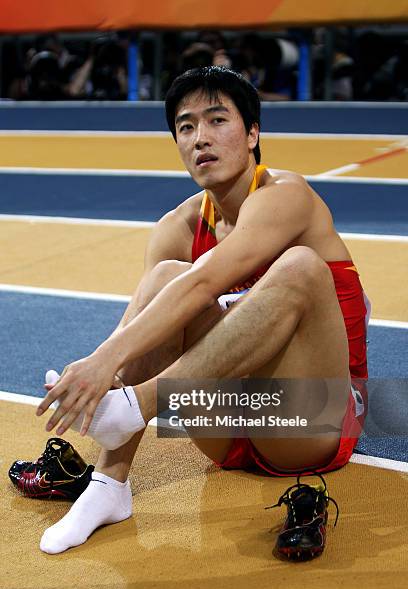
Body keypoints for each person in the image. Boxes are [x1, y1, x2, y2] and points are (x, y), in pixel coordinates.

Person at [36, 66, 369, 555]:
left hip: (307, 423)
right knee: (165, 277)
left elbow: (208, 281)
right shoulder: (178, 225)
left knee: (299, 265)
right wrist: (100, 370)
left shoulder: (287, 197)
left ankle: (132, 409)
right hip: (223, 429)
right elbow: (146, 329)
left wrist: (109, 367)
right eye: (186, 127)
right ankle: (108, 486)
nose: (201, 138)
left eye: (217, 121)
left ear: (253, 133)